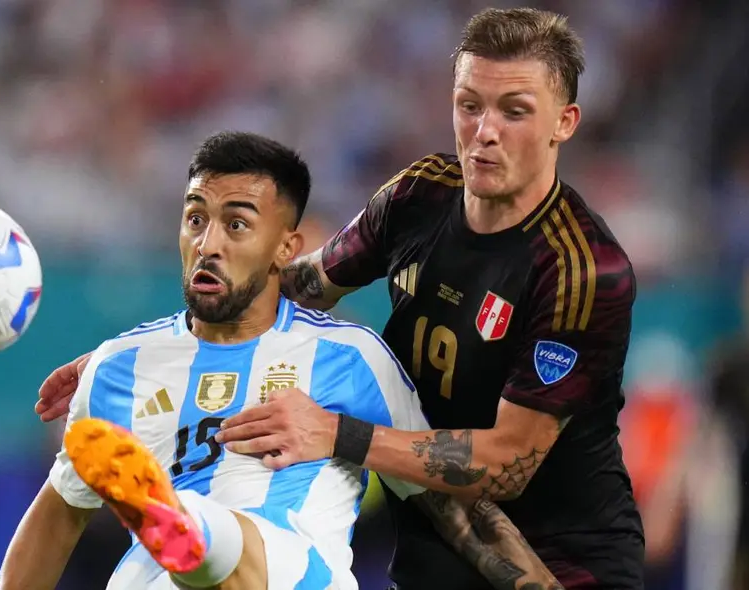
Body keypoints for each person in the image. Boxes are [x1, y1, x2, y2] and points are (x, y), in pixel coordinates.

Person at [36, 8, 645, 589]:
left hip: (562, 557)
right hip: (437, 533)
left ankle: (209, 545)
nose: (485, 132)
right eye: (469, 106)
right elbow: (292, 284)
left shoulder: (581, 270)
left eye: (514, 111)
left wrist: (338, 433)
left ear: (564, 121)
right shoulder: (419, 196)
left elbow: (506, 464)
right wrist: (157, 348)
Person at [2, 131, 562, 589]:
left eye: (237, 224)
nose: (208, 243)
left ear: (286, 248)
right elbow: (57, 518)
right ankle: (182, 530)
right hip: (154, 581)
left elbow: (450, 508)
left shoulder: (351, 358)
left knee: (239, 543)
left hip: (295, 571)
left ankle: (187, 527)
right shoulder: (117, 366)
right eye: (196, 219)